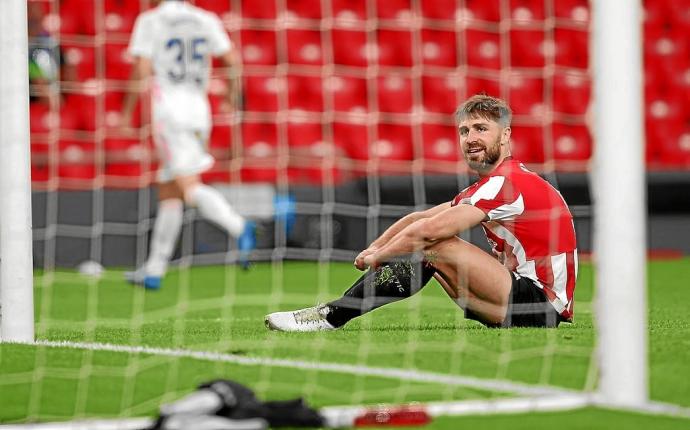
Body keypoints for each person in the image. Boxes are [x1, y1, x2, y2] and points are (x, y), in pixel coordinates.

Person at [265, 94, 578, 330]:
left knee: (435, 244)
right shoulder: (495, 184)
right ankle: (331, 314)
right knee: (428, 246)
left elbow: (430, 232)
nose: (470, 139)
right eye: (464, 131)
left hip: (540, 304)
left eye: (481, 129)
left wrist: (377, 258)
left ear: (505, 136)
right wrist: (375, 248)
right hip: (517, 301)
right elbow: (420, 219)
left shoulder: (509, 184)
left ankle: (331, 316)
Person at [122, 0, 255, 290]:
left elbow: (142, 67)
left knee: (187, 184)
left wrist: (127, 109)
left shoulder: (151, 20)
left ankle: (239, 225)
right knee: (169, 188)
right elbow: (232, 60)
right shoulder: (204, 18)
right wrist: (232, 94)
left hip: (169, 112)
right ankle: (154, 269)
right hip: (199, 110)